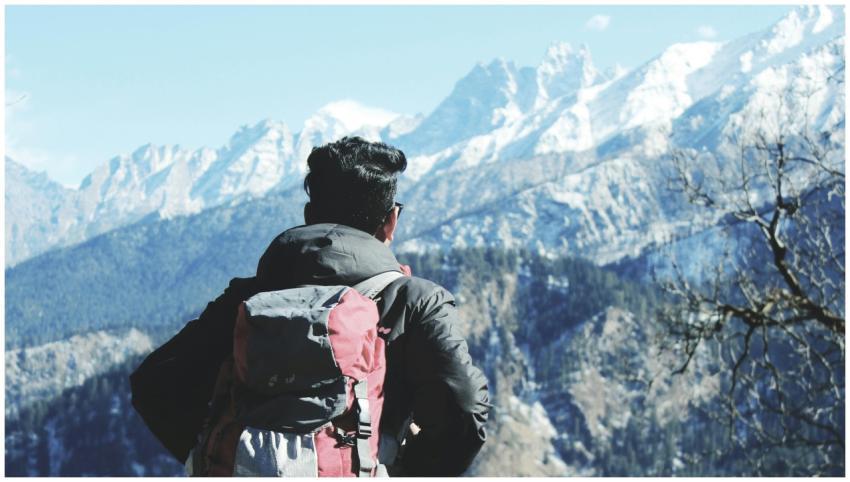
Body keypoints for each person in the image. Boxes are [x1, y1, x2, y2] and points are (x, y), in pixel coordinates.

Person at [130, 136, 490, 476]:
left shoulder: (249, 298)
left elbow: (155, 383)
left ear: (309, 214)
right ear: (391, 221)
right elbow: (465, 411)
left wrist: (211, 457)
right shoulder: (415, 301)